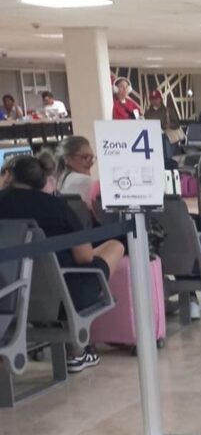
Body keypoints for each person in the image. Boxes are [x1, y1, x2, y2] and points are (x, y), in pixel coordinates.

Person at [0, 155, 124, 372]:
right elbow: (84, 257)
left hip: (7, 298)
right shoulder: (56, 206)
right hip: (63, 298)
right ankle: (77, 351)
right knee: (115, 246)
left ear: (9, 175)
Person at [55, 135, 100, 213]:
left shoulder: (56, 181)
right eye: (85, 157)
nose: (91, 162)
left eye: (92, 158)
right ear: (67, 159)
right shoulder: (87, 182)